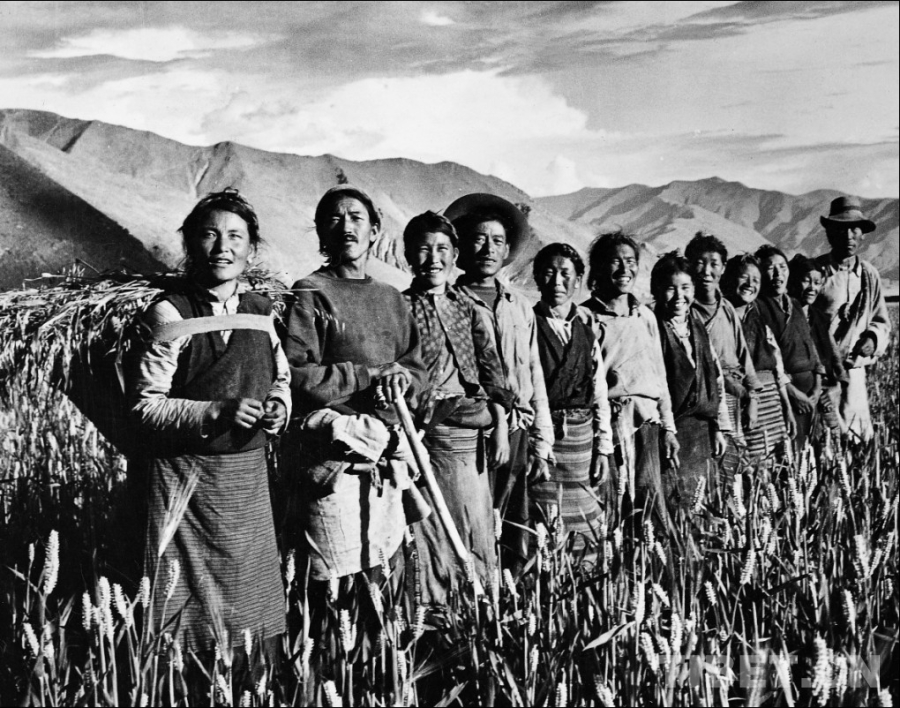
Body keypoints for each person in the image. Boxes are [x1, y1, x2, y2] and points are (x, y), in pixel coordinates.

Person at [129, 189, 290, 657]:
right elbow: (145, 406)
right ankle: (183, 684)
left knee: (251, 601)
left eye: (236, 236)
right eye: (209, 235)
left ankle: (251, 683)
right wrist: (215, 411)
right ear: (190, 244)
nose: (223, 247)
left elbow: (280, 379)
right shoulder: (170, 312)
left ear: (251, 249)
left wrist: (278, 408)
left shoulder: (261, 311)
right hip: (185, 482)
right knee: (184, 608)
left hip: (246, 482)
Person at [281, 186, 426, 589]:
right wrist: (369, 374)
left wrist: (401, 379)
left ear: (375, 231)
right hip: (335, 458)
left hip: (387, 456)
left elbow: (415, 371)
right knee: (335, 581)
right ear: (321, 233)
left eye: (356, 218)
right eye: (334, 218)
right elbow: (296, 374)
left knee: (385, 575)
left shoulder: (391, 298)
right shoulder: (310, 291)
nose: (346, 226)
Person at [401, 211, 512, 606]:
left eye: (442, 249)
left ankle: (479, 609)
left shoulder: (467, 307)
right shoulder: (399, 308)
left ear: (455, 255)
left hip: (471, 436)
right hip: (424, 436)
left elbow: (493, 372)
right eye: (424, 249)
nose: (434, 258)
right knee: (431, 528)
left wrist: (500, 427)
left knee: (475, 523)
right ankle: (435, 613)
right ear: (408, 256)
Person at [446, 193, 554, 568]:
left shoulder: (519, 306)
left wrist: (541, 440)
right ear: (461, 246)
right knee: (471, 523)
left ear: (507, 250)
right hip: (468, 433)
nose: (488, 249)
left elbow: (534, 375)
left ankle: (509, 595)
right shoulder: (449, 302)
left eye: (497, 241)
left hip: (518, 431)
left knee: (513, 524)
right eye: (478, 239)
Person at [581, 232, 679, 533]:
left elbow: (659, 376)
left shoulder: (645, 316)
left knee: (651, 509)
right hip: (609, 426)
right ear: (599, 268)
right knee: (610, 509)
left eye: (631, 261)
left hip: (647, 424)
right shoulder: (588, 317)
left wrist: (668, 428)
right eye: (615, 261)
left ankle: (651, 564)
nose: (625, 269)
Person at [530, 243, 613, 556]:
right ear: (537, 277)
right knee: (545, 521)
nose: (557, 281)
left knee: (584, 519)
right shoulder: (527, 324)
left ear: (578, 280)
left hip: (581, 440)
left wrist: (603, 448)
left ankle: (583, 579)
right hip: (542, 439)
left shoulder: (586, 330)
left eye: (566, 274)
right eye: (549, 272)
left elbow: (599, 391)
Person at [651, 253, 731, 512]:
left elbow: (715, 378)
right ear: (656, 290)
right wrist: (667, 430)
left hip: (702, 431)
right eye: (670, 288)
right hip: (671, 432)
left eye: (685, 288)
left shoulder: (696, 325)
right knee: (675, 503)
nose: (679, 296)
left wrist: (718, 427)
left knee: (703, 503)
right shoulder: (652, 328)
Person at [811, 196, 892, 440]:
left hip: (854, 372)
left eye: (854, 229)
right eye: (841, 229)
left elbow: (881, 320)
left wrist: (872, 338)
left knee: (856, 436)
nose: (848, 236)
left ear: (862, 235)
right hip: (822, 374)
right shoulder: (816, 273)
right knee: (825, 437)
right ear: (829, 233)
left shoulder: (869, 275)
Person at [685, 233, 761, 472]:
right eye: (700, 263)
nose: (707, 271)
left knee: (738, 464)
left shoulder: (726, 307)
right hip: (708, 396)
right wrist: (730, 386)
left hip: (737, 395)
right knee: (715, 461)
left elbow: (743, 355)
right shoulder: (686, 311)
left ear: (724, 268)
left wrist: (752, 397)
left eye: (714, 264)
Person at [721, 254, 797, 463]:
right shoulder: (721, 315)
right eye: (743, 277)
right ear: (729, 279)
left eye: (756, 280)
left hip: (771, 402)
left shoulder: (758, 315)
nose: (750, 284)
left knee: (778, 465)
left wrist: (787, 408)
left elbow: (776, 365)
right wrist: (750, 400)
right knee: (750, 465)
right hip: (741, 399)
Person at [754, 245, 822, 451]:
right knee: (790, 451)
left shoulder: (796, 304)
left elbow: (813, 351)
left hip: (811, 392)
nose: (778, 274)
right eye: (770, 268)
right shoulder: (757, 308)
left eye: (782, 267)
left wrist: (817, 388)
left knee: (811, 453)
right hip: (785, 393)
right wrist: (793, 393)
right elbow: (768, 361)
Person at [788, 254, 849, 436]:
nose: (812, 288)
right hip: (797, 396)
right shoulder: (785, 318)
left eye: (817, 283)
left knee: (832, 441)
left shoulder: (819, 319)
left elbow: (834, 360)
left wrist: (836, 387)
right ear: (793, 281)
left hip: (824, 398)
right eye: (806, 281)